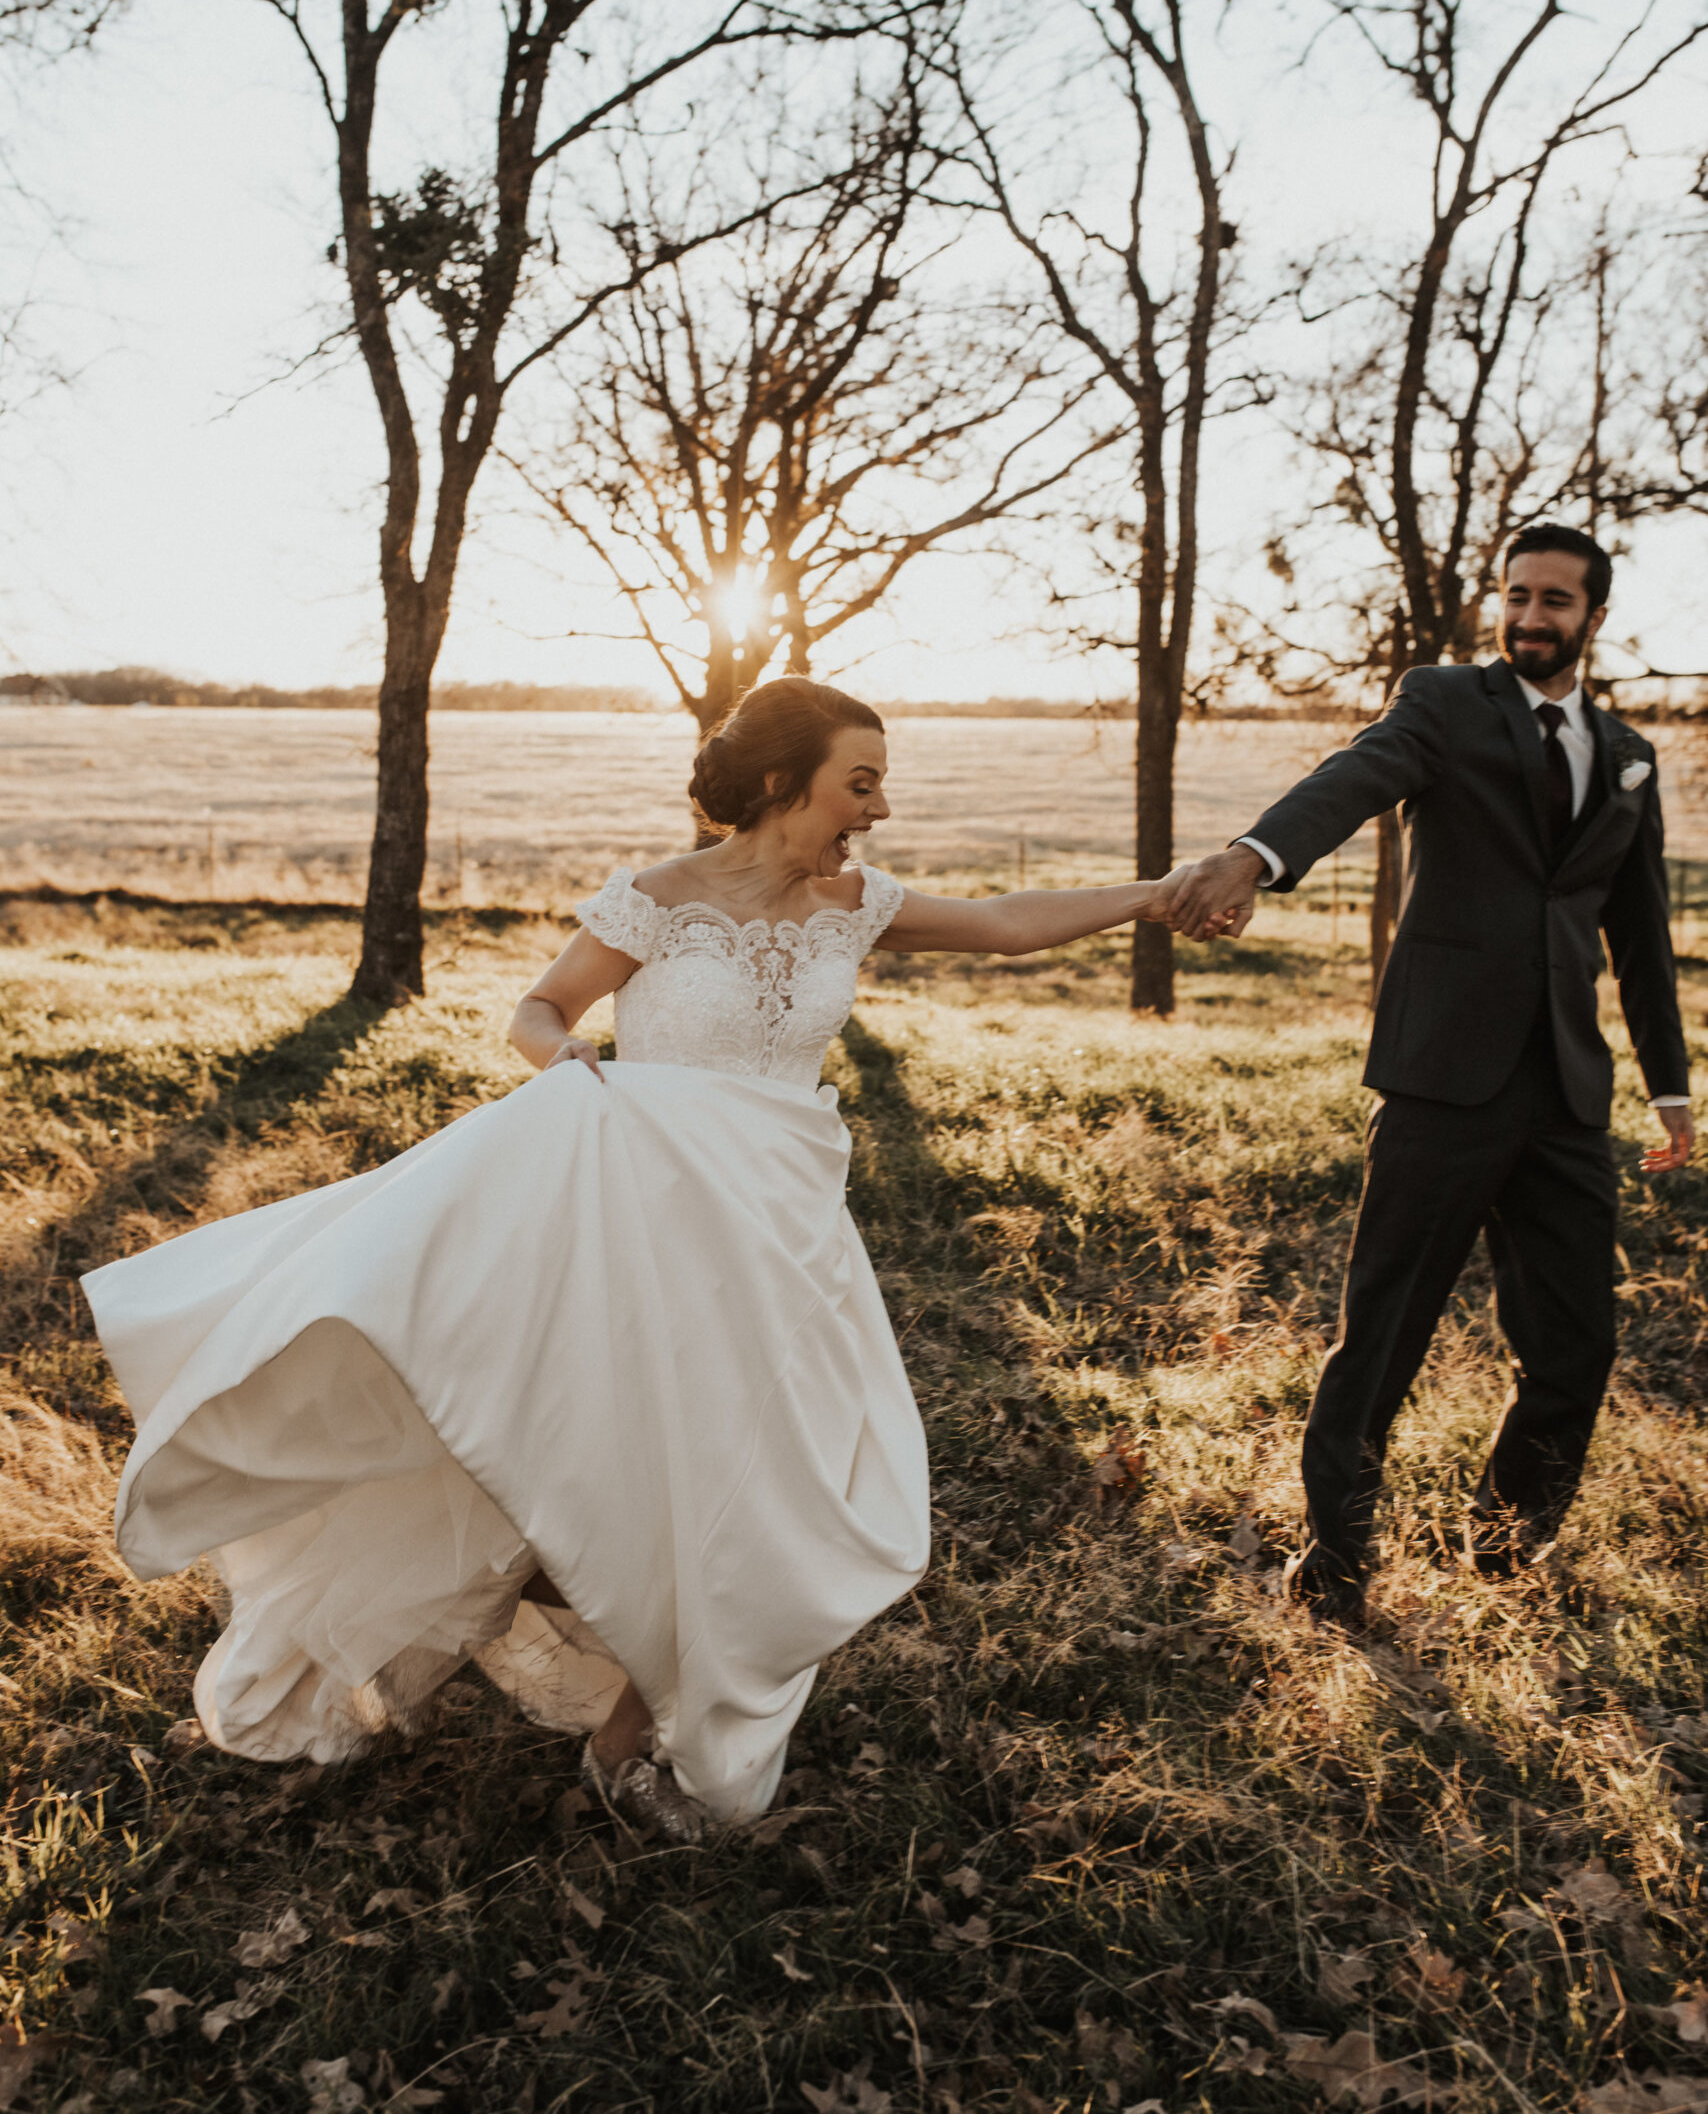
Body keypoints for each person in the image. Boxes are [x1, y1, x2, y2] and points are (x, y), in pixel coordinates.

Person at [84, 678, 1195, 1841]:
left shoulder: (855, 902)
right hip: (645, 1220)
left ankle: (634, 1722)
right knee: (627, 1464)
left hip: (781, 1228)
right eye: (859, 781)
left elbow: (1009, 919)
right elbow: (539, 1006)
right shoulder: (659, 898)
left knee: (757, 1470)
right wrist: (562, 1054)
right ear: (782, 782)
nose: (877, 806)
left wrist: (1155, 895)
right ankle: (598, 1686)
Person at [1167, 524, 1693, 1630]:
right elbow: (1355, 776)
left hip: (1565, 1091)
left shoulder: (1629, 751)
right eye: (1515, 594)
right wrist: (1255, 856)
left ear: (1593, 616)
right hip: (1441, 1077)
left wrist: (1670, 1088)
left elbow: (1638, 933)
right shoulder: (1446, 702)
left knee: (1577, 1343)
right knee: (1386, 1330)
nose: (1530, 615)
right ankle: (1337, 1565)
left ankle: (1503, 1545)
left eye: (1554, 599)